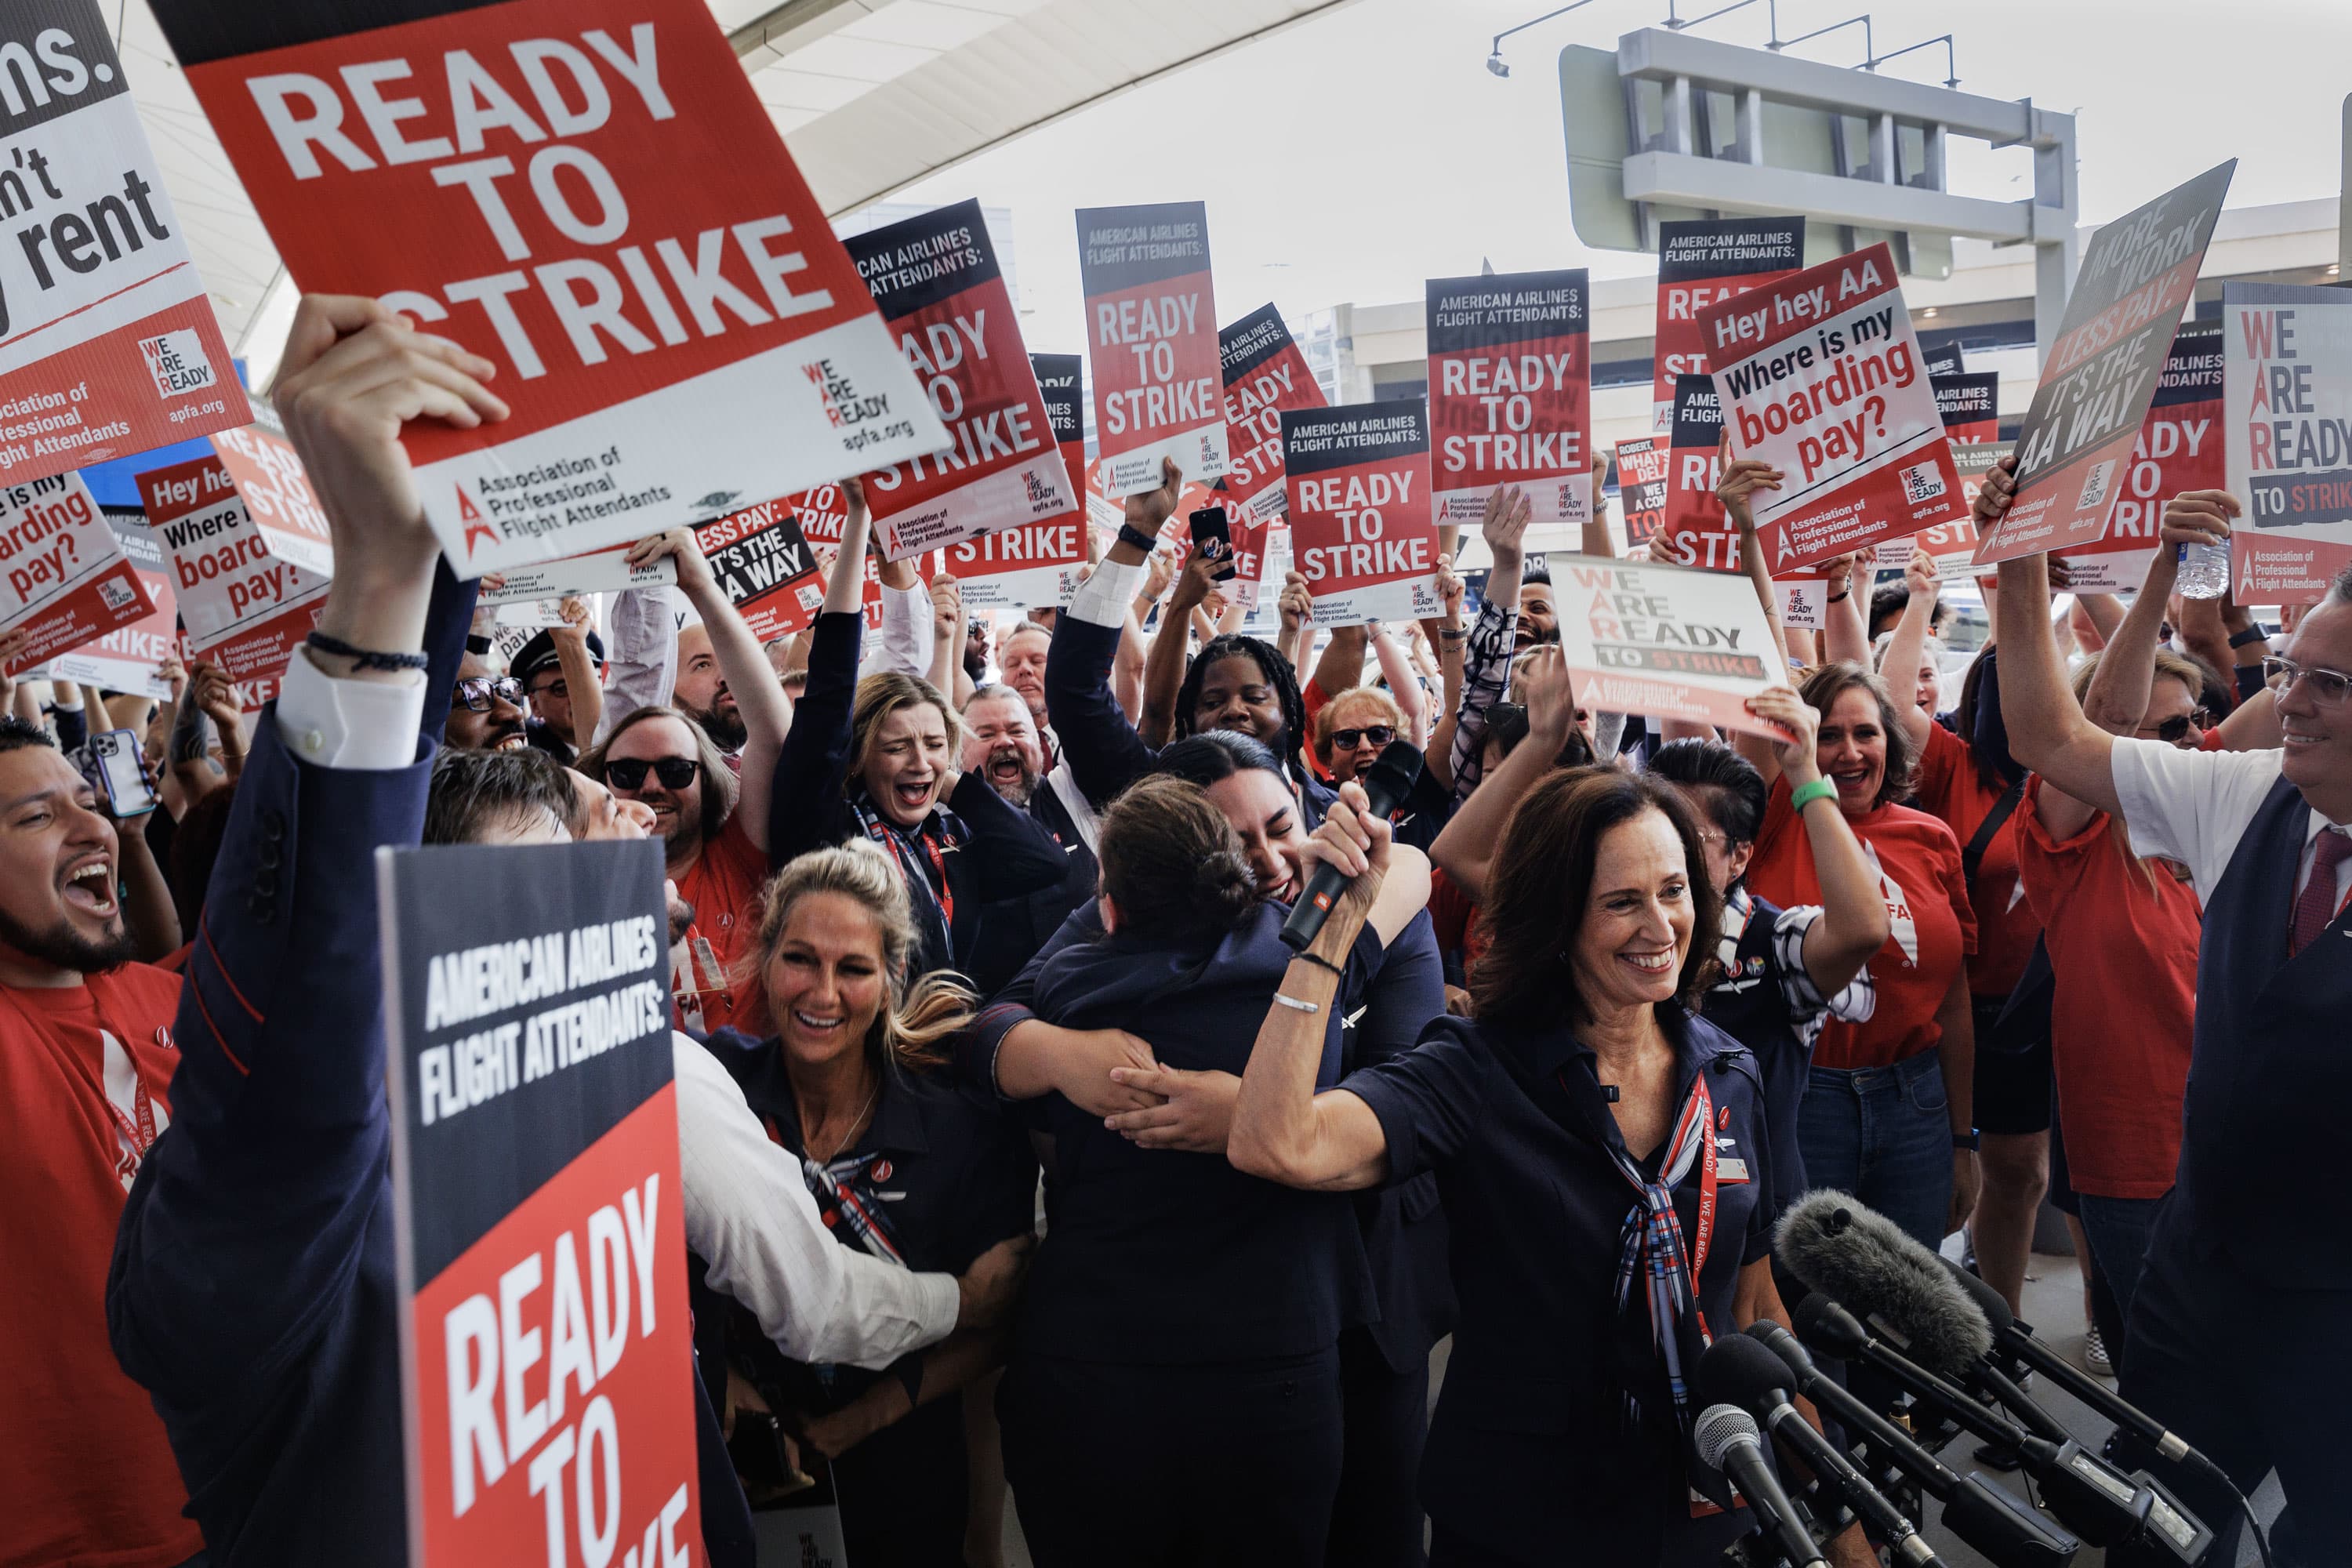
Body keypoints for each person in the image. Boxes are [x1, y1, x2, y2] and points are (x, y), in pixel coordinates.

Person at [107, 296, 1027, 1568]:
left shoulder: (650, 1075)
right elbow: (296, 1000)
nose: (629, 920)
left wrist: (464, 500)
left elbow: (813, 1291)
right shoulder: (281, 1191)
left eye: (629, 897)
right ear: (399, 938)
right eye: (554, 900)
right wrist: (386, 570)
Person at [1226, 770, 1870, 1567]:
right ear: (1557, 919)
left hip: (1701, 1512)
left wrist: (1842, 1529)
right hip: (1522, 1521)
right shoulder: (1473, 1068)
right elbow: (1274, 1141)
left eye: (1674, 889)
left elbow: (1753, 1305)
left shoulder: (1729, 1071)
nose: (1661, 923)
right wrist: (1330, 937)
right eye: (1622, 901)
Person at [1984, 467, 2347, 1566]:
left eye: (2327, 683)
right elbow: (2051, 734)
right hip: (2196, 1279)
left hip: (2338, 1310)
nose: (2289, 701)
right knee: (2154, 1529)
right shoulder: (2245, 796)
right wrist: (2015, 553)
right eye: (2289, 672)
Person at [980, 729, 1453, 1568]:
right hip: (1265, 1367)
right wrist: (1058, 1056)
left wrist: (1257, 1114)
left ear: (1112, 902)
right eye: (1241, 844)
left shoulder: (1070, 981)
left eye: (1281, 826)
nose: (1270, 858)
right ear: (1215, 866)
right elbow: (1403, 873)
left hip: (1096, 1361)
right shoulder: (1311, 957)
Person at [699, 843, 1036, 1565]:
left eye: (852, 969)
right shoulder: (717, 1088)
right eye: (800, 959)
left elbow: (1001, 1313)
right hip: (739, 1470)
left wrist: (865, 1418)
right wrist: (716, 1380)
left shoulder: (957, 1124)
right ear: (764, 959)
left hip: (904, 1468)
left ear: (891, 980)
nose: (822, 994)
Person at [1716, 458, 1980, 1254]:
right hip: (1806, 1101)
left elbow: (1957, 999)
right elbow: (1764, 659)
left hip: (1917, 1102)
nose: (1849, 749)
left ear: (1890, 740)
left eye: (1865, 731)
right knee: (1817, 1308)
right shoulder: (1776, 819)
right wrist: (1748, 532)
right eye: (1827, 732)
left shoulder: (1930, 837)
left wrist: (1964, 1137)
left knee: (1907, 1305)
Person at [0, 715, 201, 1568]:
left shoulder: (175, 1002)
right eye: (37, 817)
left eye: (91, 801)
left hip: (244, 1499)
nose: (97, 828)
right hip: (66, 1538)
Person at [767, 481, 1069, 986]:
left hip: (942, 1050)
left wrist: (947, 778)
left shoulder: (947, 839)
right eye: (897, 746)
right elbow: (829, 695)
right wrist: (857, 518)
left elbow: (1046, 862)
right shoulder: (827, 831)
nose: (919, 761)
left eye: (932, 744)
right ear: (860, 757)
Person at [1876, 549, 2047, 1314]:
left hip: (2039, 1004)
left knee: (2024, 1173)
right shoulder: (1952, 765)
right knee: (1957, 1171)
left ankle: (2000, 1322)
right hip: (1962, 1008)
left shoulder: (2072, 773)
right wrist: (1920, 597)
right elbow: (1889, 697)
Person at [578, 525, 789, 1033]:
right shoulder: (578, 882)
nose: (652, 786)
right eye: (628, 772)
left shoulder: (738, 855)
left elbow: (774, 733)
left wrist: (700, 586)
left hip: (746, 1108)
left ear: (708, 779)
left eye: (676, 770)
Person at [1050, 461, 1331, 820]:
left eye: (1255, 696)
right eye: (1211, 700)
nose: (1234, 710)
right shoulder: (1154, 799)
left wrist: (1319, 527)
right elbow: (1075, 687)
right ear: (1187, 720)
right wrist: (1138, 534)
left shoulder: (1333, 817)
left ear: (1290, 712)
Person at [958, 682, 1098, 996]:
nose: (1004, 741)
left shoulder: (1073, 796)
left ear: (1040, 743)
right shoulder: (943, 826)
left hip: (1088, 1002)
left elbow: (1096, 714)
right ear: (957, 751)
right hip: (989, 1024)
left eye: (1018, 731)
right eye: (986, 734)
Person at [511, 604, 604, 762]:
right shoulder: (524, 753)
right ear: (535, 705)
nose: (577, 695)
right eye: (560, 689)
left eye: (591, 681)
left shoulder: (626, 739)